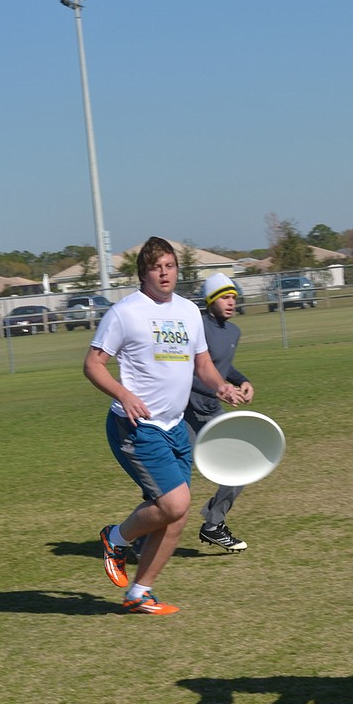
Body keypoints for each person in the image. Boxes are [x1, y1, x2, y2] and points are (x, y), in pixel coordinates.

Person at [83, 236, 246, 614]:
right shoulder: (125, 312)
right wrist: (123, 394)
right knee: (175, 503)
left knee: (177, 514)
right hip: (136, 427)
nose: (164, 273)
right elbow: (93, 364)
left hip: (175, 425)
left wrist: (222, 386)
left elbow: (202, 364)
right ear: (144, 272)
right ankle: (116, 537)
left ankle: (140, 592)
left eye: (170, 266)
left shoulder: (189, 311)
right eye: (157, 267)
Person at [186, 273, 255, 552]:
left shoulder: (234, 332)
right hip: (185, 415)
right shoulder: (196, 327)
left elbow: (222, 369)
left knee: (240, 468)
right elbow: (188, 372)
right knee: (174, 481)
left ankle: (213, 524)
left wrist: (242, 380)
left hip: (213, 413)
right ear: (211, 300)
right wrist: (220, 388)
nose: (231, 302)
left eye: (234, 297)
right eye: (225, 297)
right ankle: (143, 535)